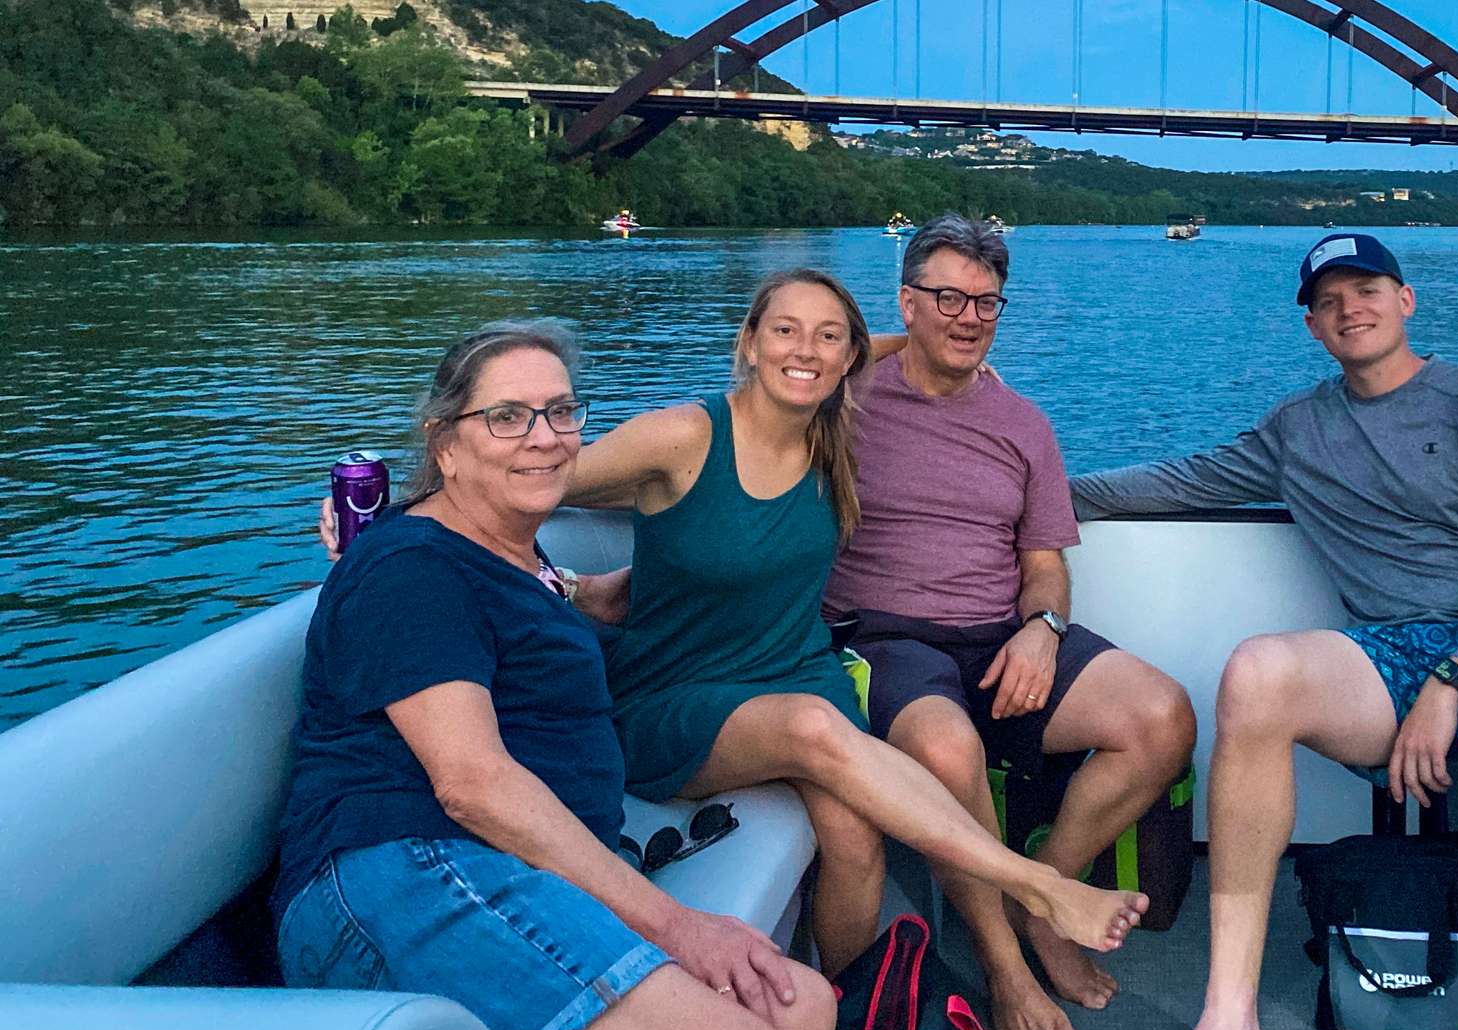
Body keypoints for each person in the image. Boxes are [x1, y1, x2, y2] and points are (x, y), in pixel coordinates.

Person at [318, 277, 1147, 987]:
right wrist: (391, 513)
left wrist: (929, 337)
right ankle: (1035, 885)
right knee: (818, 729)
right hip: (671, 697)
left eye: (828, 339)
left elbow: (874, 346)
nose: (806, 350)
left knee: (854, 838)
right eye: (783, 330)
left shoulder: (833, 436)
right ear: (748, 342)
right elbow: (538, 471)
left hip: (791, 667)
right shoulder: (684, 436)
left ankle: (854, 1016)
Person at [1069, 234, 1458, 1030]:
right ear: (1313, 328)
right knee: (1257, 672)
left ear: (1406, 301)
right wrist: (1030, 486)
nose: (1349, 309)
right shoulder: (1299, 428)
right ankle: (1229, 1017)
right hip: (1388, 653)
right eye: (1328, 302)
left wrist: (1452, 682)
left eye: (1366, 289)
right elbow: (1176, 483)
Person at [275, 321, 836, 1030]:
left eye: (562, 411)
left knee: (804, 1008)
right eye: (507, 417)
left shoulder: (515, 556)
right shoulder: (411, 565)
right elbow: (474, 785)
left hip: (513, 863)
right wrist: (677, 925)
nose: (544, 437)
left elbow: (599, 600)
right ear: (446, 443)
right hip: (404, 867)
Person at [833, 215, 1198, 1030]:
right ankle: (1008, 970)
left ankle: (1046, 902)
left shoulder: (1023, 423)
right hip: (884, 637)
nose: (969, 318)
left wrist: (1043, 629)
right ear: (906, 302)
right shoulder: (845, 397)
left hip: (1000, 635)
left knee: (1162, 718)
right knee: (947, 750)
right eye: (948, 299)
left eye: (987, 303)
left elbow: (1044, 564)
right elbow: (786, 362)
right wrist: (884, 344)